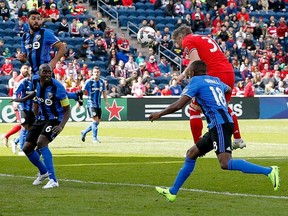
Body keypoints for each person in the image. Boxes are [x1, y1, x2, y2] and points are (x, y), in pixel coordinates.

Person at [149, 61, 280, 203]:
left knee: (225, 163)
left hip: (220, 124)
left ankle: (269, 171)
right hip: (217, 124)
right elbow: (229, 89)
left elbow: (179, 104)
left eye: (189, 73)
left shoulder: (196, 82)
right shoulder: (215, 80)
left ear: (193, 72)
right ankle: (172, 192)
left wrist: (160, 114)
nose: (188, 75)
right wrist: (219, 104)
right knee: (191, 153)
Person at [173, 25, 244, 150]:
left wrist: (191, 80)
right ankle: (238, 139)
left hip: (214, 73)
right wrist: (183, 74)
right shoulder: (204, 37)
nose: (178, 45)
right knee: (223, 108)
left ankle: (198, 146)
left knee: (194, 108)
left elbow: (196, 61)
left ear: (181, 37)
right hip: (228, 72)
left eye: (177, 41)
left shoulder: (188, 40)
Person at [17, 10, 83, 105]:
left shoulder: (45, 33)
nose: (36, 21)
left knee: (41, 100)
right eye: (33, 18)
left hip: (45, 71)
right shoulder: (24, 37)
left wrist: (53, 62)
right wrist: (21, 58)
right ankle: (75, 95)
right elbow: (25, 58)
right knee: (50, 95)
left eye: (39, 19)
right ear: (27, 20)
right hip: (35, 72)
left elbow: (62, 47)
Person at [22, 64, 70, 189]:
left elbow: (67, 108)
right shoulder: (35, 80)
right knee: (27, 148)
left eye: (50, 72)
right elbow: (36, 93)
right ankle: (43, 172)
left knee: (41, 142)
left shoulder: (57, 87)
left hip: (55, 119)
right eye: (45, 72)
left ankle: (53, 180)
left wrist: (61, 125)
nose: (48, 74)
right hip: (41, 118)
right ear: (39, 72)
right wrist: (24, 99)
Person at [81, 67, 110, 143]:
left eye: (97, 72)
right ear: (92, 73)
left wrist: (106, 102)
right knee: (95, 121)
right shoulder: (89, 82)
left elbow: (104, 92)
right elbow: (83, 91)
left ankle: (84, 132)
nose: (96, 73)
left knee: (97, 122)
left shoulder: (102, 82)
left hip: (98, 105)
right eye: (95, 72)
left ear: (100, 73)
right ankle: (94, 138)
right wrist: (80, 100)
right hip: (91, 104)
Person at [12, 67, 35, 155]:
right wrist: (15, 102)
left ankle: (16, 141)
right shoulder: (24, 82)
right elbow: (15, 92)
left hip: (33, 109)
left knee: (31, 129)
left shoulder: (37, 83)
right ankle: (22, 149)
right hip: (23, 107)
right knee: (24, 128)